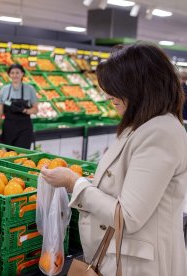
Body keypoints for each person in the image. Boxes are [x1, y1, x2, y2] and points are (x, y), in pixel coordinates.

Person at [41, 43, 187, 276]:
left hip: (141, 265)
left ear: (140, 87)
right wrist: (96, 183)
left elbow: (127, 217)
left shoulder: (160, 133)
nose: (108, 95)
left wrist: (74, 183)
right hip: (122, 255)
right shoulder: (142, 126)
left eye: (115, 88)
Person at [0, 64, 38, 149]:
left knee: (22, 154)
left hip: (24, 128)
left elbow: (35, 109)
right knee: (9, 154)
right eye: (12, 73)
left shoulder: (30, 89)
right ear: (9, 75)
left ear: (22, 74)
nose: (15, 75)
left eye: (17, 73)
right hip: (8, 127)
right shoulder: (4, 89)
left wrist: (25, 110)